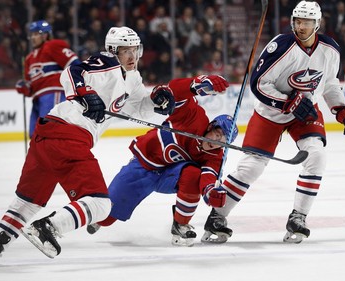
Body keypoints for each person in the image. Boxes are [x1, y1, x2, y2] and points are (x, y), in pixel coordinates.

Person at [0, 26, 176, 267]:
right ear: (114, 51)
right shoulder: (107, 62)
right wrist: (83, 93)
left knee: (29, 201)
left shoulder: (132, 78)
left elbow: (137, 107)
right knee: (101, 205)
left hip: (47, 136)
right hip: (68, 136)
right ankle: (47, 228)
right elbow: (72, 71)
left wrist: (158, 102)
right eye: (125, 51)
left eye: (135, 50)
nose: (132, 57)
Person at [201, 1, 345, 244]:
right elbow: (258, 84)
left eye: (307, 22)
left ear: (317, 23)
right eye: (298, 21)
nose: (301, 26)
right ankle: (217, 216)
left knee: (317, 156)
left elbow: (331, 84)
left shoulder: (330, 49)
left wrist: (342, 111)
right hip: (271, 113)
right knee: (251, 168)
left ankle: (298, 217)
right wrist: (286, 102)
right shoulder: (280, 45)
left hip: (305, 112)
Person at [86, 74, 237, 247]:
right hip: (143, 166)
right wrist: (197, 84)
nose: (216, 143)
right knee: (106, 217)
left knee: (192, 174)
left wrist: (211, 193)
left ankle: (180, 224)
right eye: (217, 135)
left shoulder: (216, 155)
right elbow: (175, 92)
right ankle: (85, 216)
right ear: (210, 127)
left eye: (222, 142)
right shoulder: (194, 117)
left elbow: (208, 177)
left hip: (169, 176)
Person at [15, 20, 81, 138]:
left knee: (50, 131)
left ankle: (59, 156)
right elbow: (30, 88)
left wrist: (78, 86)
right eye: (32, 34)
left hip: (53, 93)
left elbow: (74, 64)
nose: (33, 37)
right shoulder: (29, 58)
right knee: (35, 134)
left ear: (45, 35)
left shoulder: (52, 46)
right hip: (37, 99)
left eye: (36, 34)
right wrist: (24, 87)